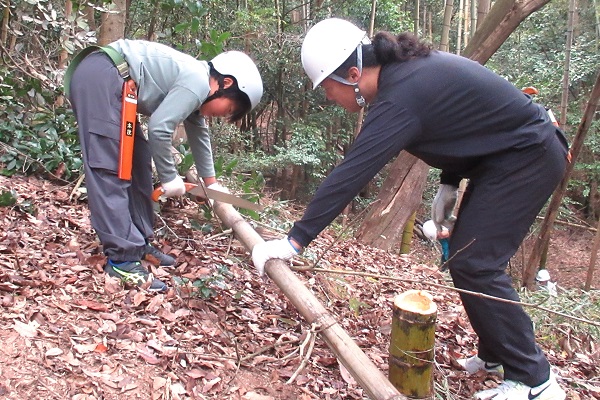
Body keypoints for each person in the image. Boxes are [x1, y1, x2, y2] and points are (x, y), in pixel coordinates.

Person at [251, 18, 567, 400]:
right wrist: (449, 184)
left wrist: (295, 240)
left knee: (476, 262)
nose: (330, 99)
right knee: (467, 257)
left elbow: (353, 171)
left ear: (353, 74)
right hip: (507, 156)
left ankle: (535, 381)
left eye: (329, 90)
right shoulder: (408, 77)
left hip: (530, 155)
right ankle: (497, 356)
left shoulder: (401, 94)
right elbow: (466, 121)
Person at [67, 40, 263, 292]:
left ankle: (136, 242)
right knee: (111, 164)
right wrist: (171, 179)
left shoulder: (198, 87)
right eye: (230, 108)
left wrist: (212, 185)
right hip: (101, 76)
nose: (223, 116)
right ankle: (121, 261)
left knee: (138, 160)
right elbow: (160, 128)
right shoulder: (197, 81)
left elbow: (199, 134)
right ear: (226, 83)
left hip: (115, 82)